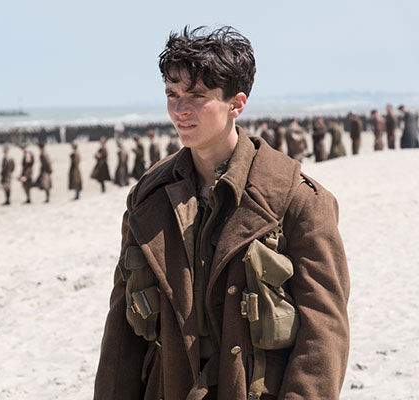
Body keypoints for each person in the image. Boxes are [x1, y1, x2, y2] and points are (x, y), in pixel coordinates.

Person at [94, 26, 350, 400]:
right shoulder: (149, 198)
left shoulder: (296, 199)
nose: (180, 109)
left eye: (198, 96)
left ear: (237, 103)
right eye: (172, 94)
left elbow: (324, 331)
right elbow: (121, 333)